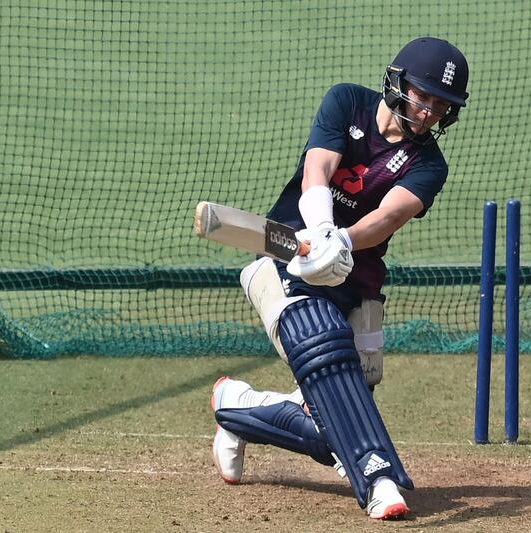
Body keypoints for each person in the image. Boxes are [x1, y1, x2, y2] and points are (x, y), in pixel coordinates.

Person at [210, 36, 470, 520]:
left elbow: (388, 218)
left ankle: (236, 408)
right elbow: (317, 170)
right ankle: (377, 479)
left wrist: (343, 242)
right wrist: (322, 231)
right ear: (398, 82)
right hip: (287, 260)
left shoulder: (429, 164)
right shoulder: (347, 100)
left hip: (358, 277)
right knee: (327, 353)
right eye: (424, 96)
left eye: (442, 105)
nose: (431, 111)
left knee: (336, 420)